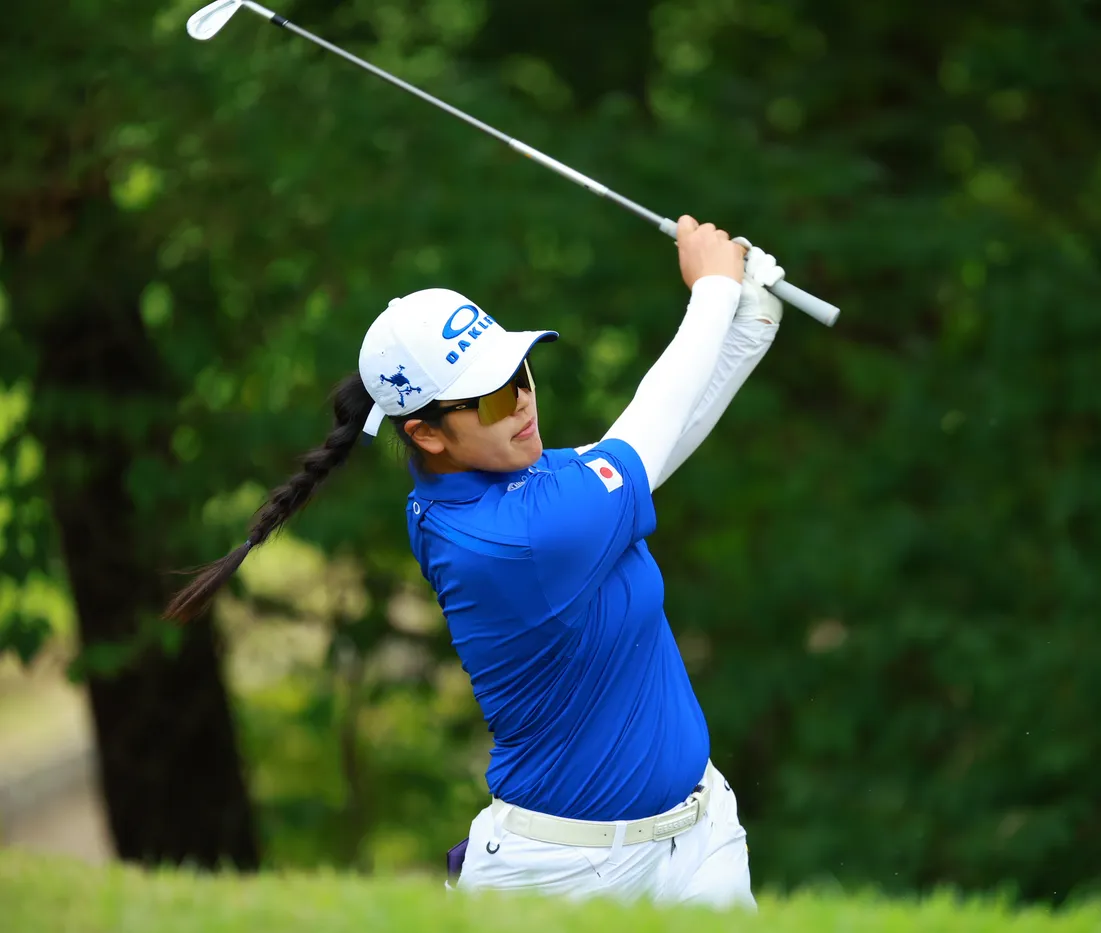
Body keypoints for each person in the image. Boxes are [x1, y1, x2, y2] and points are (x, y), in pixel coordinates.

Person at [164, 216, 787, 910]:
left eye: (520, 374)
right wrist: (712, 293)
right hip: (569, 876)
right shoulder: (514, 540)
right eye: (491, 397)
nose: (521, 403)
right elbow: (645, 437)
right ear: (426, 434)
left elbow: (655, 446)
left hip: (701, 841)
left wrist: (747, 322)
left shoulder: (510, 482)